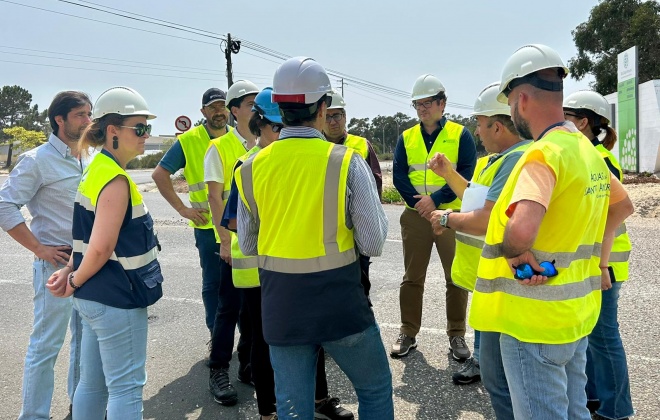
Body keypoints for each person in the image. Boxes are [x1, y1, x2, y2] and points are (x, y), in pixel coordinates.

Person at [469, 44, 634, 420]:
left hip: (534, 320)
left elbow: (523, 228)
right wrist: (599, 262)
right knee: (574, 411)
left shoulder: (543, 154)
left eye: (510, 103)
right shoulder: (585, 149)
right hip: (575, 314)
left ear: (521, 98)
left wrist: (514, 251)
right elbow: (622, 207)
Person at [235, 56, 393, 420]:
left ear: (278, 107)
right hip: (339, 302)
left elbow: (248, 244)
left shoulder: (249, 168)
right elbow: (373, 243)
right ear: (323, 107)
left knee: (293, 407)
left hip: (281, 306)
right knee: (374, 389)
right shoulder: (345, 161)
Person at [222, 87, 355, 420]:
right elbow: (235, 220)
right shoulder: (249, 164)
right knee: (266, 345)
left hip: (293, 268)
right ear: (261, 124)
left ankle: (318, 400)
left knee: (313, 336)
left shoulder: (288, 159)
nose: (282, 134)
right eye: (276, 128)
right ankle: (269, 411)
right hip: (257, 271)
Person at [47, 86, 163, 419]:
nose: (145, 136)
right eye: (139, 128)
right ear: (113, 131)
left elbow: (84, 237)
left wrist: (72, 273)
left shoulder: (95, 169)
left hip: (95, 299)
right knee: (126, 388)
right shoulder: (115, 179)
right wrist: (73, 278)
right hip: (117, 298)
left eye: (147, 128)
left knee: (92, 386)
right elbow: (100, 247)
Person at [427, 82, 528, 416]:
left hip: (500, 275)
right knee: (488, 348)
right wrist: (448, 173)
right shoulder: (496, 160)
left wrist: (446, 217)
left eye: (480, 124)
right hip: (485, 274)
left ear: (497, 126)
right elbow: (475, 195)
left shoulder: (515, 160)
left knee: (501, 382)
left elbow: (484, 218)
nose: (477, 131)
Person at [0, 91, 89, 420]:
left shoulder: (87, 157)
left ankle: (80, 406)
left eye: (89, 114)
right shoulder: (37, 160)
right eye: (80, 115)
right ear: (60, 120)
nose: (88, 121)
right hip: (55, 264)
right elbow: (4, 204)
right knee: (47, 344)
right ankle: (33, 415)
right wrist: (39, 248)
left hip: (88, 264)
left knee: (84, 341)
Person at [391, 74, 477, 360]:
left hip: (451, 215)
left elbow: (466, 173)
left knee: (455, 277)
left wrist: (435, 200)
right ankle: (408, 332)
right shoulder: (406, 137)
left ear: (442, 103)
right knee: (412, 277)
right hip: (416, 216)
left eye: (428, 102)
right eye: (418, 103)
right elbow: (400, 175)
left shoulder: (460, 134)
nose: (422, 108)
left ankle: (456, 335)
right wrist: (421, 205)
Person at [563, 90, 634, 420]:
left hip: (606, 264)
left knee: (604, 338)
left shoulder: (600, 160)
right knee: (591, 335)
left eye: (567, 117)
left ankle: (615, 411)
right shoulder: (586, 155)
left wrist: (603, 265)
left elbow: (614, 214)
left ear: (584, 122)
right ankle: (594, 401)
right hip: (594, 262)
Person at [152, 88, 229, 338]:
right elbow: (159, 175)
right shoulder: (190, 140)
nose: (219, 111)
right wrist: (182, 209)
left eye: (222, 105)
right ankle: (216, 336)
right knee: (214, 283)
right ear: (203, 111)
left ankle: (246, 338)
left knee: (244, 283)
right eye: (213, 107)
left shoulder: (239, 136)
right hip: (208, 226)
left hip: (239, 224)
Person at [204, 80, 258, 406]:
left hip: (259, 245)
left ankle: (248, 364)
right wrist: (224, 241)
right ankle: (218, 369)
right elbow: (214, 197)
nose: (257, 110)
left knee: (253, 311)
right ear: (234, 110)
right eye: (250, 104)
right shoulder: (219, 148)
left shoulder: (265, 144)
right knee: (228, 309)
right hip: (232, 245)